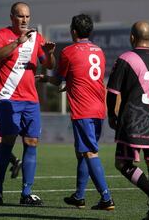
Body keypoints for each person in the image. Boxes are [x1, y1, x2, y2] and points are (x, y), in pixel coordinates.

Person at [36, 14, 115, 210]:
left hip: (83, 109)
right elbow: (85, 76)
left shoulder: (69, 52)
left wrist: (44, 78)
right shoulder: (99, 51)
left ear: (73, 31)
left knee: (89, 152)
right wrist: (71, 84)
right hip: (98, 107)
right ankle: (79, 196)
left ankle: (106, 198)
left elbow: (58, 79)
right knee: (83, 153)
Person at [0, 2, 55, 206]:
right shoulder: (0, 35)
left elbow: (49, 65)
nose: (25, 20)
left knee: (32, 143)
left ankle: (26, 193)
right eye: (20, 16)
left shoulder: (36, 37)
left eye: (27, 16)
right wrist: (18, 42)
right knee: (7, 142)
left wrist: (50, 52)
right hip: (8, 98)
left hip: (31, 100)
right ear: (12, 17)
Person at [106, 21, 149, 220]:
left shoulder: (126, 58)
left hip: (133, 120)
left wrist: (111, 114)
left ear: (132, 37)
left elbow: (112, 92)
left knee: (122, 164)